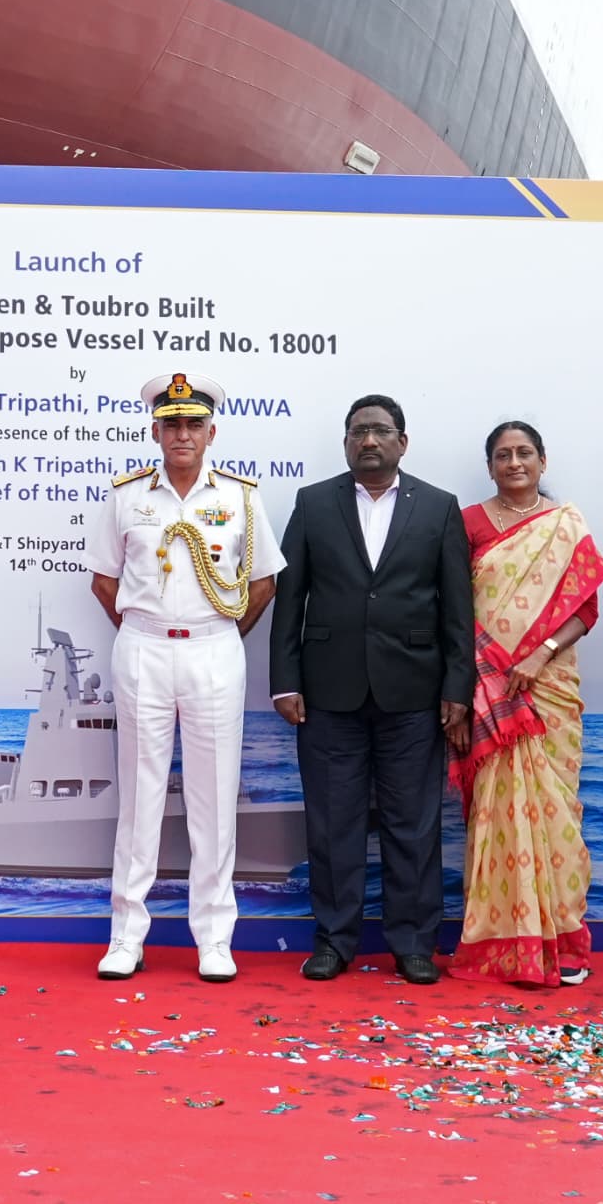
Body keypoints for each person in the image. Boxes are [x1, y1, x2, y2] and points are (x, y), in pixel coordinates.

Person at [270, 393, 472, 982]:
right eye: (359, 431)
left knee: (414, 824)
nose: (370, 441)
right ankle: (335, 939)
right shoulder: (313, 504)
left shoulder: (438, 507)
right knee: (333, 823)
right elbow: (292, 601)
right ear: (346, 441)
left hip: (414, 693)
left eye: (381, 431)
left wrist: (456, 687)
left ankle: (413, 943)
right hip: (328, 693)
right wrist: (285, 680)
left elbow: (458, 608)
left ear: (402, 442)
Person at [89, 372, 276, 983]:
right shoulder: (125, 496)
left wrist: (216, 637)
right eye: (172, 424)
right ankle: (126, 935)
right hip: (143, 649)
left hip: (214, 650)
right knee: (139, 797)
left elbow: (263, 582)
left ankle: (215, 938)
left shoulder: (242, 499)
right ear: (155, 431)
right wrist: (145, 633)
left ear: (211, 431)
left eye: (194, 423)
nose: (182, 434)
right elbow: (104, 582)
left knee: (215, 799)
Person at [453, 418, 603, 986]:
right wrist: (486, 671)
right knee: (494, 815)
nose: (515, 463)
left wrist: (539, 653)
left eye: (525, 453)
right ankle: (502, 944)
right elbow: (453, 608)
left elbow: (587, 610)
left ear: (543, 462)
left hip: (548, 686)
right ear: (491, 465)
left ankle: (565, 943)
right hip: (487, 689)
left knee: (557, 816)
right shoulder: (469, 523)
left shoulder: (565, 525)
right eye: (503, 455)